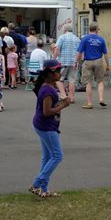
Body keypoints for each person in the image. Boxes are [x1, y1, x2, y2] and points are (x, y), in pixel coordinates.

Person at [29, 59, 71, 199]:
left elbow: (51, 106)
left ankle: (44, 189)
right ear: (49, 74)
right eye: (57, 71)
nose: (60, 73)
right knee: (57, 156)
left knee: (47, 157)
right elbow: (47, 112)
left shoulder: (49, 87)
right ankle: (36, 184)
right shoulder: (47, 89)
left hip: (44, 125)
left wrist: (61, 102)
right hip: (46, 126)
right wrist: (63, 106)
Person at [76, 22, 110, 109]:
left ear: (89, 29)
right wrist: (107, 64)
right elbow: (105, 54)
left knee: (88, 82)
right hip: (98, 61)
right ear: (96, 29)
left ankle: (90, 103)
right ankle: (101, 99)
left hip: (88, 62)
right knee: (100, 81)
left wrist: (76, 62)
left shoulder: (85, 39)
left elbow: (79, 52)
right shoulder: (101, 39)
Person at [53, 24, 80, 103]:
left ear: (65, 29)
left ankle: (63, 95)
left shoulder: (62, 37)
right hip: (73, 62)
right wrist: (78, 61)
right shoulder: (77, 39)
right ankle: (71, 98)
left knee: (58, 79)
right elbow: (80, 51)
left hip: (63, 62)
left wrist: (53, 60)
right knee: (72, 80)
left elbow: (57, 49)